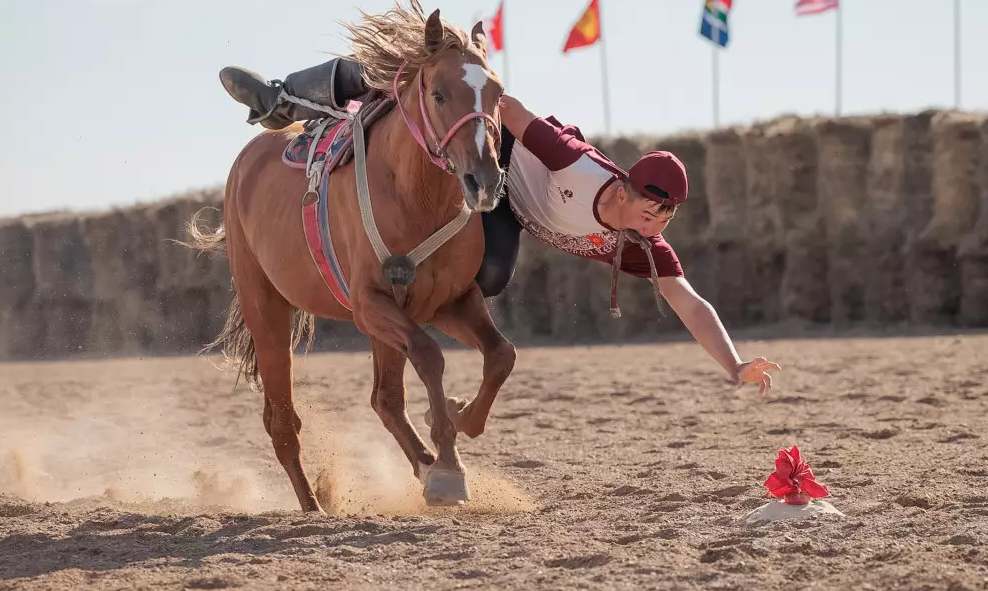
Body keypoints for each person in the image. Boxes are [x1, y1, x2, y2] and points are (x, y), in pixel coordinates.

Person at [219, 61, 781, 394]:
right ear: (628, 187)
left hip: (502, 208)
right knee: (399, 83)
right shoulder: (570, 160)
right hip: (490, 159)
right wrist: (453, 86)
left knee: (486, 277)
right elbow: (504, 104)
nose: (652, 225)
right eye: (649, 211)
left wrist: (733, 365)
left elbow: (689, 302)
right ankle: (282, 96)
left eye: (662, 220)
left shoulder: (641, 246)